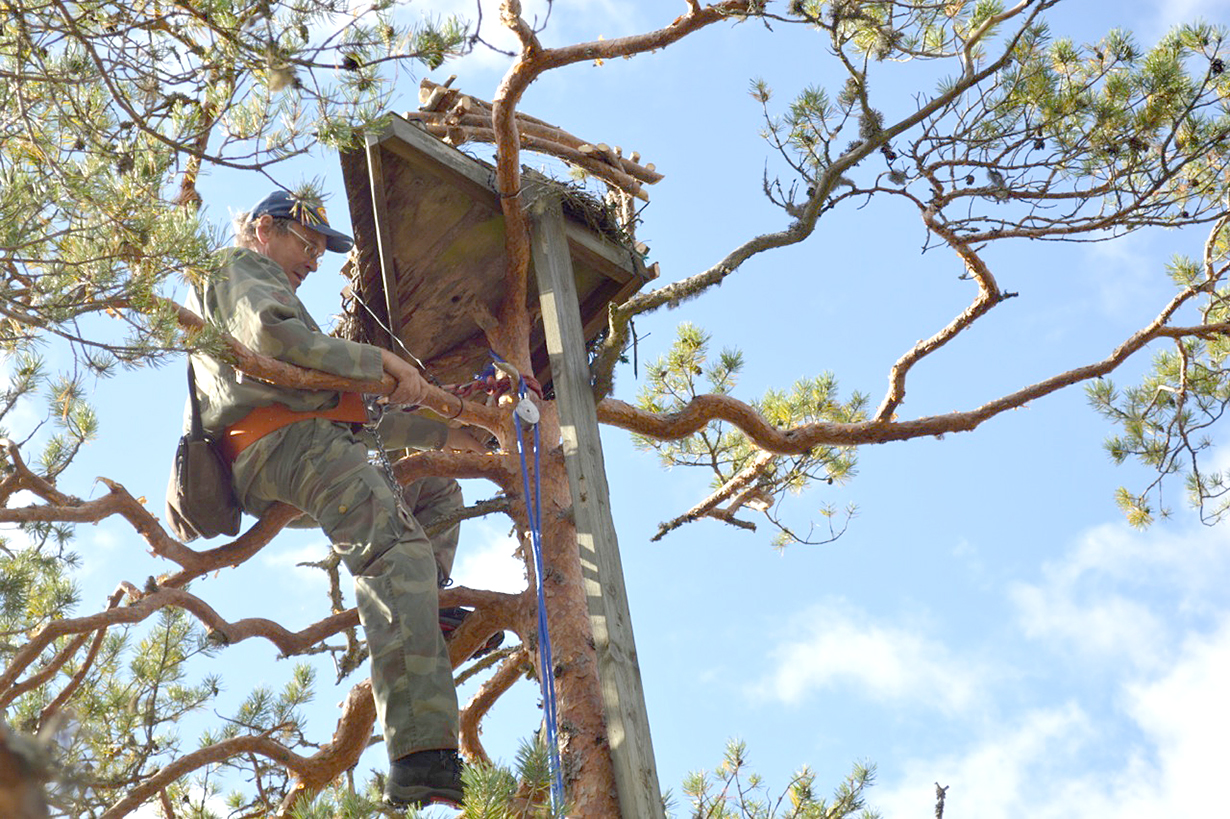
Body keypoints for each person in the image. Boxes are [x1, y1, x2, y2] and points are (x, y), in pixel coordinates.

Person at [186, 189, 485, 808]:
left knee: (435, 487)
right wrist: (377, 359)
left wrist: (451, 430)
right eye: (307, 242)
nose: (315, 260)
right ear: (264, 228)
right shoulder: (243, 267)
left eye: (323, 250)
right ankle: (422, 755)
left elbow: (345, 411)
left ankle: (427, 611)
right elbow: (277, 343)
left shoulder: (263, 280)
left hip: (295, 440)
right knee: (395, 555)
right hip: (283, 445)